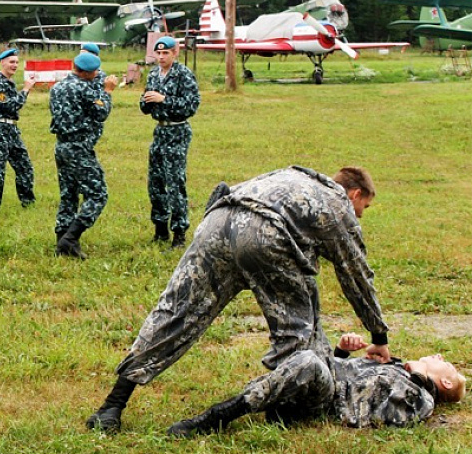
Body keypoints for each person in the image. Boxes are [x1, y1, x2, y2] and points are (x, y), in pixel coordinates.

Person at [86, 166, 391, 433]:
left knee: (176, 311)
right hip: (265, 236)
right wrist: (378, 335)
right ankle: (283, 407)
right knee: (298, 331)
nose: (361, 214)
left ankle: (112, 406)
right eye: (364, 206)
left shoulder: (290, 176)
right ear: (354, 193)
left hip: (218, 221)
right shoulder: (338, 206)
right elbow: (356, 275)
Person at [167, 333, 465, 437]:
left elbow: (386, 414)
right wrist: (343, 350)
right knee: (305, 337)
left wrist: (416, 371)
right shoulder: (396, 366)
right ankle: (280, 407)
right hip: (326, 380)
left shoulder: (421, 400)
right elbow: (345, 369)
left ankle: (221, 415)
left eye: (446, 363)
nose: (440, 356)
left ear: (445, 381)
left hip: (327, 400)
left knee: (309, 361)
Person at [49, 53, 117, 259]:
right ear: (87, 73)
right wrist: (107, 91)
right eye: (95, 72)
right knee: (98, 194)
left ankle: (62, 239)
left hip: (62, 146)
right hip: (79, 148)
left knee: (69, 194)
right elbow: (101, 113)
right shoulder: (85, 89)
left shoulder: (57, 87)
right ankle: (71, 238)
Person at [141, 36, 200, 248]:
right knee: (155, 182)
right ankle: (160, 229)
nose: (161, 57)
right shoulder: (153, 74)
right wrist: (146, 101)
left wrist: (163, 99)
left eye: (165, 53)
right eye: (158, 53)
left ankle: (179, 233)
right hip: (160, 131)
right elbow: (144, 102)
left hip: (177, 130)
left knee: (175, 183)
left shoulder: (183, 74)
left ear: (175, 53)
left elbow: (191, 105)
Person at [0, 48, 36, 208]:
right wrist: (26, 90)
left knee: (24, 166)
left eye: (16, 62)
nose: (15, 65)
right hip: (0, 128)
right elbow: (10, 106)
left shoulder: (9, 82)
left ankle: (28, 202)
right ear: (2, 62)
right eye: (11, 62)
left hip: (12, 129)